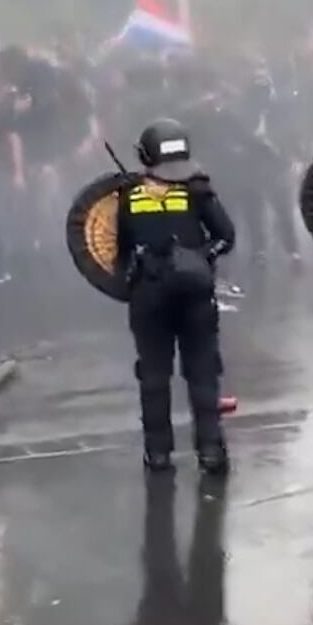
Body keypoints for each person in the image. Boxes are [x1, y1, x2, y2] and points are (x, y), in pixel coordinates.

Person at [114, 118, 236, 475]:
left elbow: (120, 251)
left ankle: (158, 453)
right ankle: (211, 450)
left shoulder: (128, 195)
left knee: (153, 375)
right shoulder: (198, 190)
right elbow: (226, 235)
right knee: (201, 371)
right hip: (196, 295)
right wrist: (201, 258)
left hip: (149, 296)